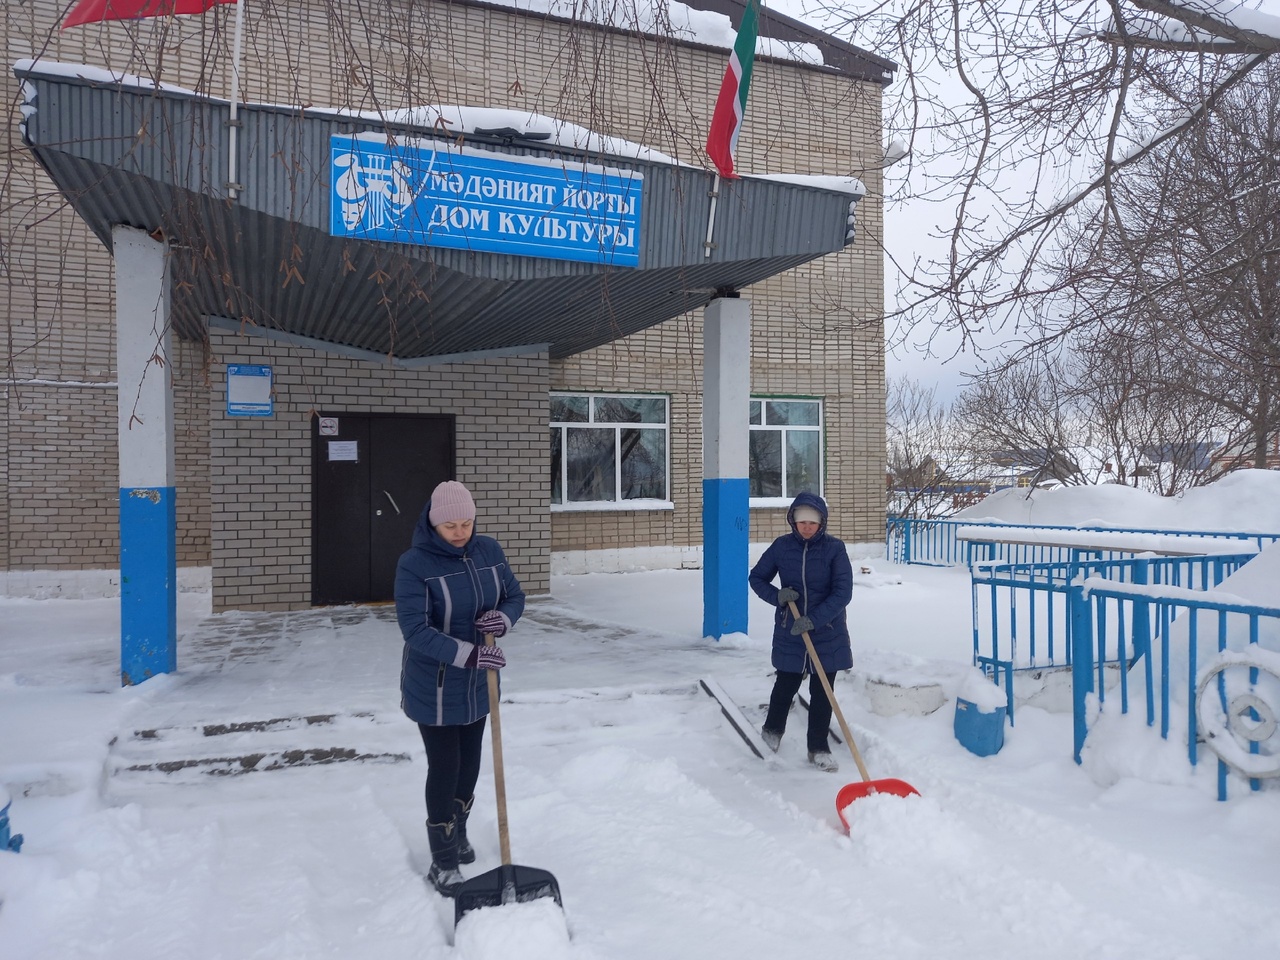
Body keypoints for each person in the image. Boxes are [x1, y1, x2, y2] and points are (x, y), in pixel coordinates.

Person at [394, 480, 525, 897]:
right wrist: (470, 654)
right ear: (433, 523)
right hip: (434, 686)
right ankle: (443, 860)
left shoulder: (489, 552)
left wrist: (503, 619)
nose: (460, 532)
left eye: (466, 523)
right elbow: (415, 629)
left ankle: (459, 832)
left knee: (470, 765)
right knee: (445, 766)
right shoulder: (414, 564)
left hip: (479, 683)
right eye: (450, 525)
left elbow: (514, 596)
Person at [748, 491, 853, 772]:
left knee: (823, 692)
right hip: (790, 629)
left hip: (827, 631)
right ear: (793, 521)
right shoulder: (782, 547)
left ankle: (818, 747)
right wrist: (778, 597)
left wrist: (814, 620)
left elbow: (842, 592)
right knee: (785, 685)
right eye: (802, 522)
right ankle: (772, 732)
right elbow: (757, 578)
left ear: (822, 523)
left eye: (812, 523)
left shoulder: (835, 549)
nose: (807, 527)